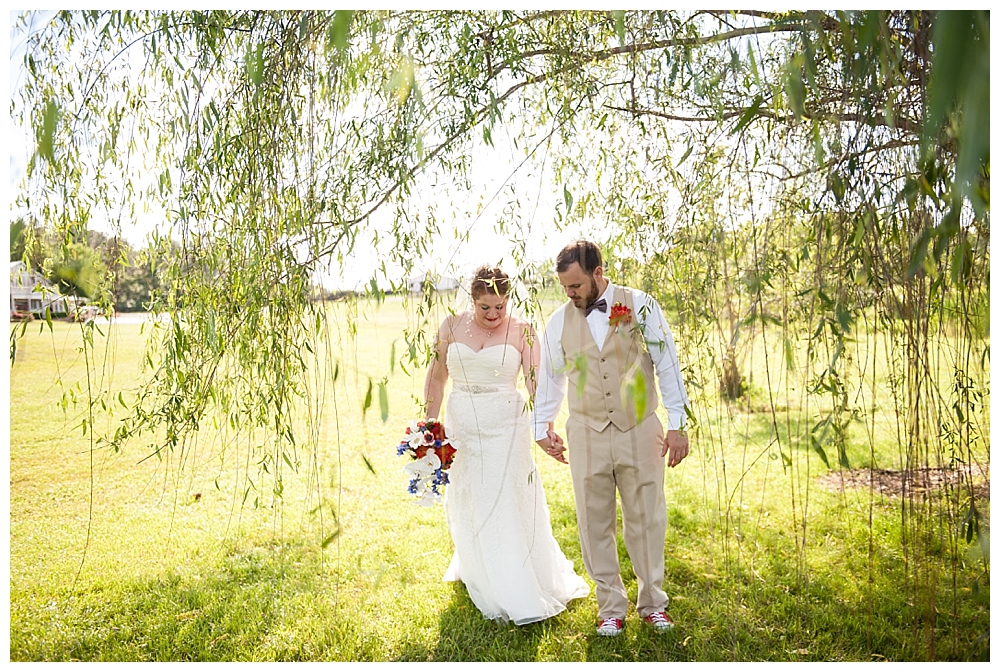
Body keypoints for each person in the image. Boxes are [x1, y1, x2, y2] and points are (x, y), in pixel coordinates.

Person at [534, 240, 690, 637]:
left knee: (647, 518)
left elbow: (668, 363)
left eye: (576, 286)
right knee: (593, 520)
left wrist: (678, 423)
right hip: (585, 432)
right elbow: (550, 378)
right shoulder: (557, 322)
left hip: (639, 428)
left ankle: (653, 602)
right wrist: (542, 428)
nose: (569, 294)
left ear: (599, 273)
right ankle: (610, 608)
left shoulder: (641, 305)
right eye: (564, 287)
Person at [423, 265, 589, 625]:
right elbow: (436, 378)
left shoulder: (524, 331)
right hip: (461, 429)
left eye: (501, 306)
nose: (494, 315)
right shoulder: (450, 326)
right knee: (469, 497)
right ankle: (478, 568)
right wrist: (429, 427)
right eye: (485, 308)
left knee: (505, 500)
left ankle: (514, 583)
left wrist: (544, 429)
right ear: (472, 300)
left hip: (506, 428)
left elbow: (536, 387)